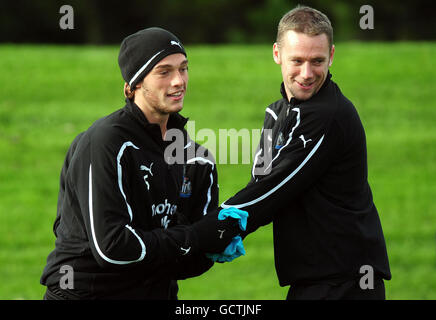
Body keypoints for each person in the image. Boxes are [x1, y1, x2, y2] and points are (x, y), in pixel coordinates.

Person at [40, 27, 243, 300]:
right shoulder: (105, 142)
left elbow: (193, 261)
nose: (178, 81)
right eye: (164, 72)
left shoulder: (197, 158)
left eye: (183, 69)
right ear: (134, 84)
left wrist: (218, 237)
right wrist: (193, 237)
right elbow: (111, 248)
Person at [220, 6, 391, 299]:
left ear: (332, 56)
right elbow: (261, 185)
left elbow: (274, 188)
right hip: (312, 282)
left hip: (346, 282)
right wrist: (220, 226)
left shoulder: (328, 114)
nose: (307, 73)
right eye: (296, 61)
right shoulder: (276, 114)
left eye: (317, 61)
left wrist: (203, 233)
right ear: (277, 54)